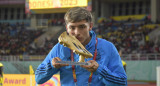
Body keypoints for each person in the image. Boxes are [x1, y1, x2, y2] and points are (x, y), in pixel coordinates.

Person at [35, 7, 127, 86]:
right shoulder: (60, 48)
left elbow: (122, 82)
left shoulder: (107, 48)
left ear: (90, 26)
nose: (77, 33)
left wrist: (100, 70)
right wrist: (51, 66)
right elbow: (38, 78)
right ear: (67, 28)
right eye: (72, 28)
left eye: (82, 27)